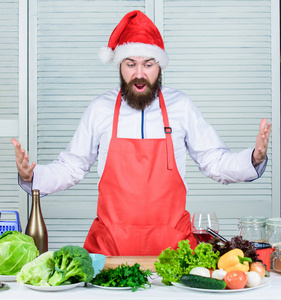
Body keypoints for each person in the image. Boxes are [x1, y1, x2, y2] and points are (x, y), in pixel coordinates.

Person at [11, 10, 271, 256]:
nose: (139, 74)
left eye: (148, 64)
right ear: (119, 66)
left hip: (173, 249)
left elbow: (214, 161)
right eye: (130, 64)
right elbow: (71, 167)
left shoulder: (181, 106)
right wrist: (32, 175)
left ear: (159, 66)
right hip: (110, 247)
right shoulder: (100, 108)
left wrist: (253, 159)